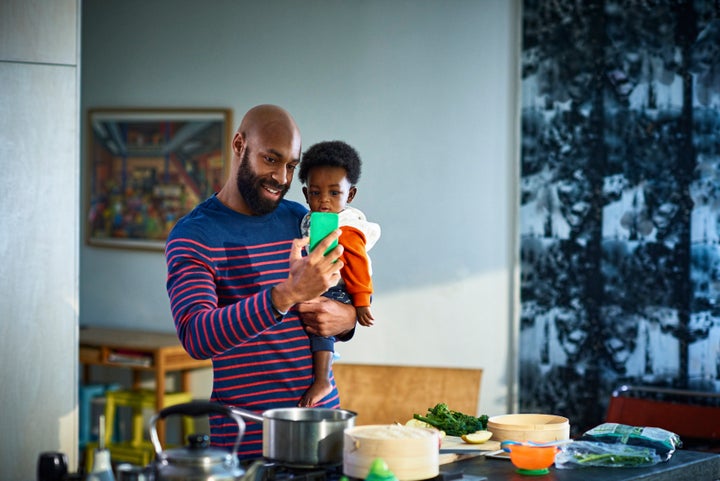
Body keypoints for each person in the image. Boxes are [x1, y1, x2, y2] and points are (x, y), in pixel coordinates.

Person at [164, 104, 357, 460]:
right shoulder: (194, 236)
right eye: (271, 159)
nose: (282, 178)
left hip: (323, 427)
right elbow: (196, 336)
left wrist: (348, 320)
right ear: (239, 145)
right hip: (249, 437)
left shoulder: (302, 219)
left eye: (291, 166)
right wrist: (285, 295)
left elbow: (338, 301)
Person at [297, 140, 381, 407]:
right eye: (315, 193)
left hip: (339, 288)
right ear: (305, 193)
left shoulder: (347, 227)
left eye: (334, 193)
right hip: (323, 280)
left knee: (320, 330)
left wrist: (361, 300)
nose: (323, 201)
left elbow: (359, 263)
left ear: (351, 195)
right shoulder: (309, 219)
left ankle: (322, 380)